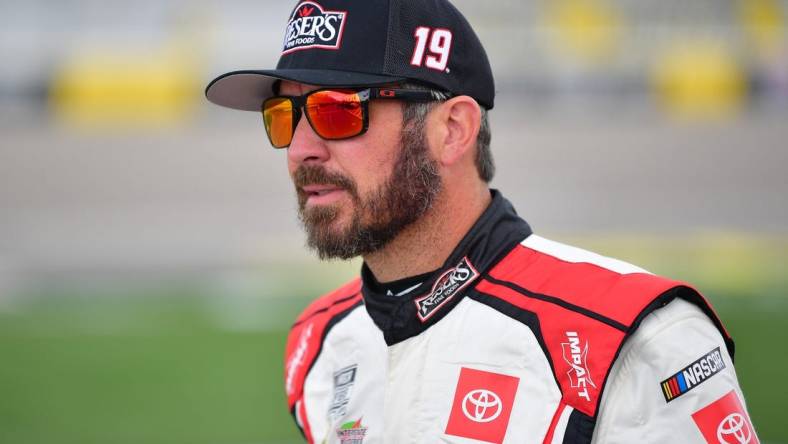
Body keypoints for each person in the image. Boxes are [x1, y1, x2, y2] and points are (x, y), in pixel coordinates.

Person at [205, 0, 757, 442]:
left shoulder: (633, 337)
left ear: (452, 130)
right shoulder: (320, 343)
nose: (301, 148)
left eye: (337, 110)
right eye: (284, 116)